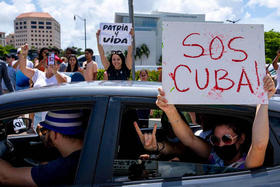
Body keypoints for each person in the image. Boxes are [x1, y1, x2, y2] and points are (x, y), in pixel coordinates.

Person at [134, 75, 276, 169]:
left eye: (226, 139)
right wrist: (169, 110)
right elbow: (189, 139)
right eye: (215, 139)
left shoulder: (248, 164)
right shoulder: (214, 154)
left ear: (241, 139)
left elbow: (258, 145)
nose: (220, 144)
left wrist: (263, 100)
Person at [0, 109, 85, 186]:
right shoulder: (84, 157)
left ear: (55, 134)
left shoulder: (65, 168)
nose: (45, 134)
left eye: (46, 130)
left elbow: (5, 177)